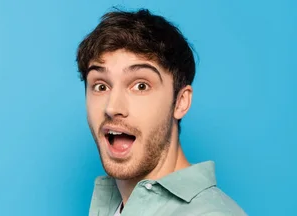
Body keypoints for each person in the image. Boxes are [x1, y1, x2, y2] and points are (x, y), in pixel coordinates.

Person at [75, 8, 247, 216]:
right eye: (101, 86)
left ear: (180, 102)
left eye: (140, 86)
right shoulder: (113, 206)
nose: (112, 108)